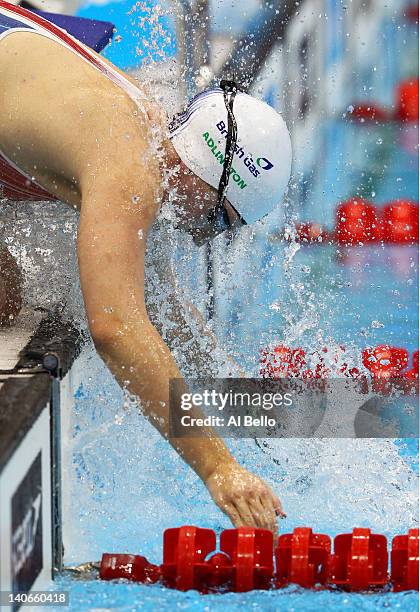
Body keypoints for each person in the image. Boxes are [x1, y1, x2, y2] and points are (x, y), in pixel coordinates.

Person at [0, 1, 292, 535]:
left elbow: (161, 308)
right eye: (217, 220)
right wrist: (218, 467)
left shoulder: (155, 143)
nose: (205, 235)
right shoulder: (128, 168)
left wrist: (242, 404)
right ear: (203, 175)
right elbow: (115, 327)